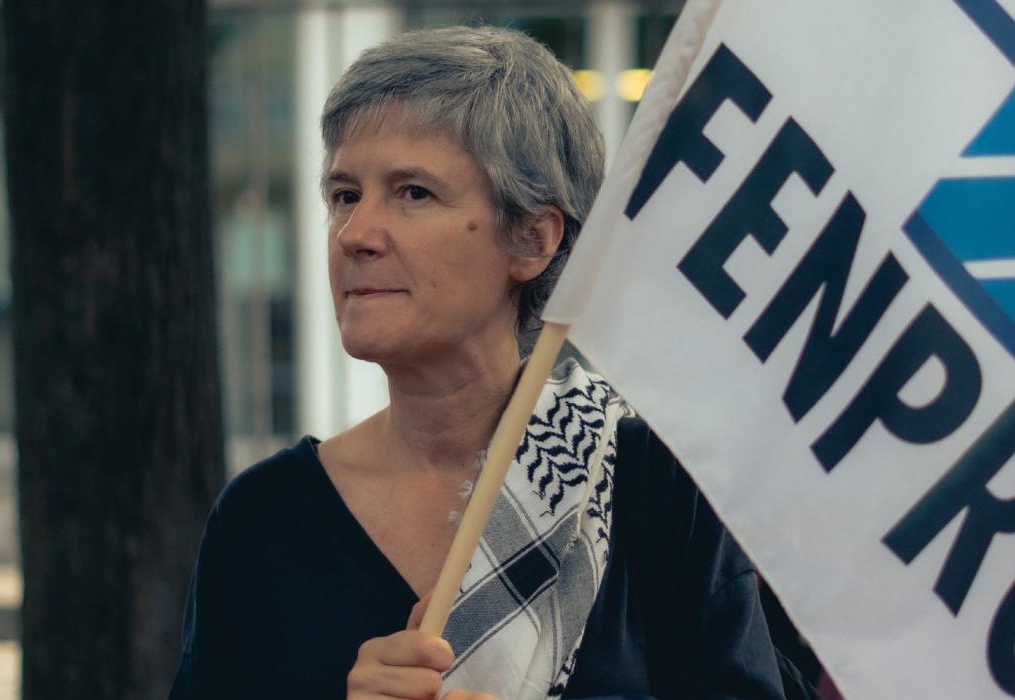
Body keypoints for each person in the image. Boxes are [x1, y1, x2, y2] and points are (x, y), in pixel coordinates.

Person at [169, 25, 804, 700]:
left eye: (413, 192)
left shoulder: (657, 486)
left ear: (532, 238)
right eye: (345, 195)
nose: (355, 235)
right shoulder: (263, 521)